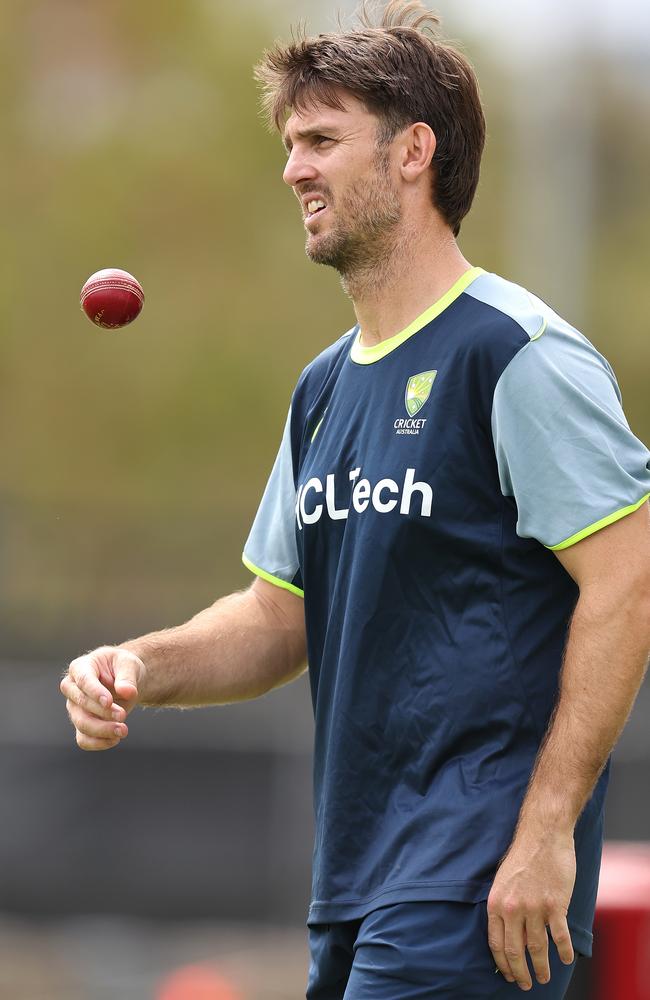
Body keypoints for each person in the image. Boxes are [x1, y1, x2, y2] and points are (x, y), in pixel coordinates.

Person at [60, 2, 650, 996]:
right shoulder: (323, 388)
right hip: (352, 887)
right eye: (291, 143)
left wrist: (545, 831)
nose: (294, 168)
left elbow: (627, 578)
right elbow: (271, 618)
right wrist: (135, 665)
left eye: (322, 140)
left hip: (476, 885)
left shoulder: (512, 355)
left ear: (414, 152)